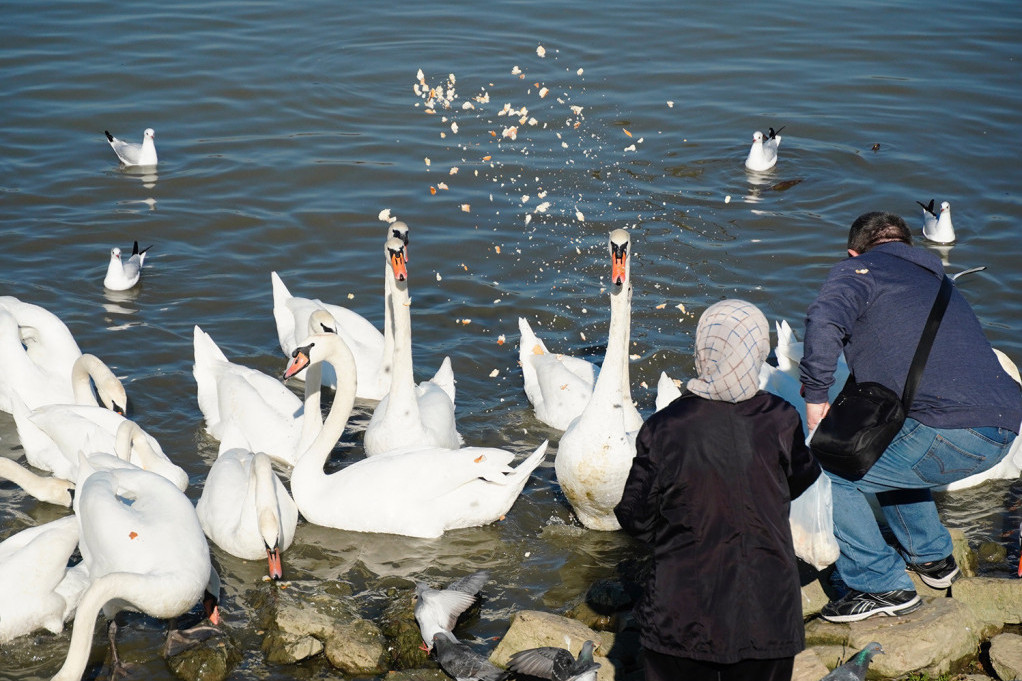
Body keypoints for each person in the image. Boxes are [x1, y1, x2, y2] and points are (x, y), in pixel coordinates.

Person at [800, 211, 1022, 623]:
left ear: (853, 252)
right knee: (882, 453)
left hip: (952, 431)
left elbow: (824, 319)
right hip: (1005, 424)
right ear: (909, 247)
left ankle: (880, 584)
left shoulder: (858, 269)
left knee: (820, 471)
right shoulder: (941, 282)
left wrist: (816, 394)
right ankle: (933, 559)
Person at [615, 299, 820, 681]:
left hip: (684, 609)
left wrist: (678, 534)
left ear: (703, 350)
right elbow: (804, 476)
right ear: (757, 352)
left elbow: (633, 514)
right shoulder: (780, 418)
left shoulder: (666, 427)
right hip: (768, 609)